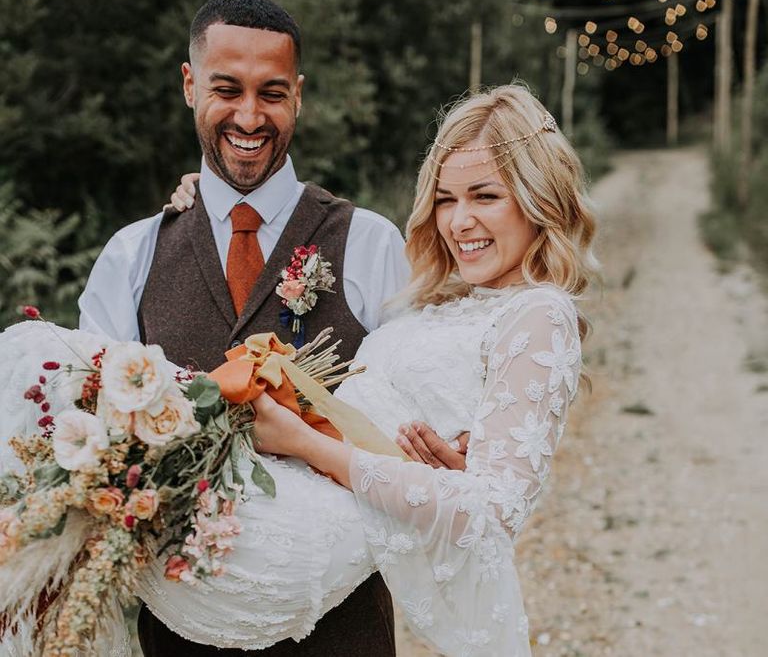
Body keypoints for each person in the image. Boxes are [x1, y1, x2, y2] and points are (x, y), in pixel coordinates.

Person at [168, 83, 599, 656]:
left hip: (302, 540)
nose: (459, 221)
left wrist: (305, 444)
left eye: (485, 196)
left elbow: (491, 514)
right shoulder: (440, 297)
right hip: (280, 495)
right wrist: (210, 201)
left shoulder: (540, 313)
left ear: (539, 198)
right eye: (445, 199)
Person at [76, 0, 410, 657]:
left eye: (273, 93)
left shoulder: (371, 244)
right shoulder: (131, 255)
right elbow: (91, 444)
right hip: (177, 634)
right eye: (227, 89)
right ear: (189, 83)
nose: (250, 116)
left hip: (340, 628)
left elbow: (407, 440)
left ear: (300, 96)